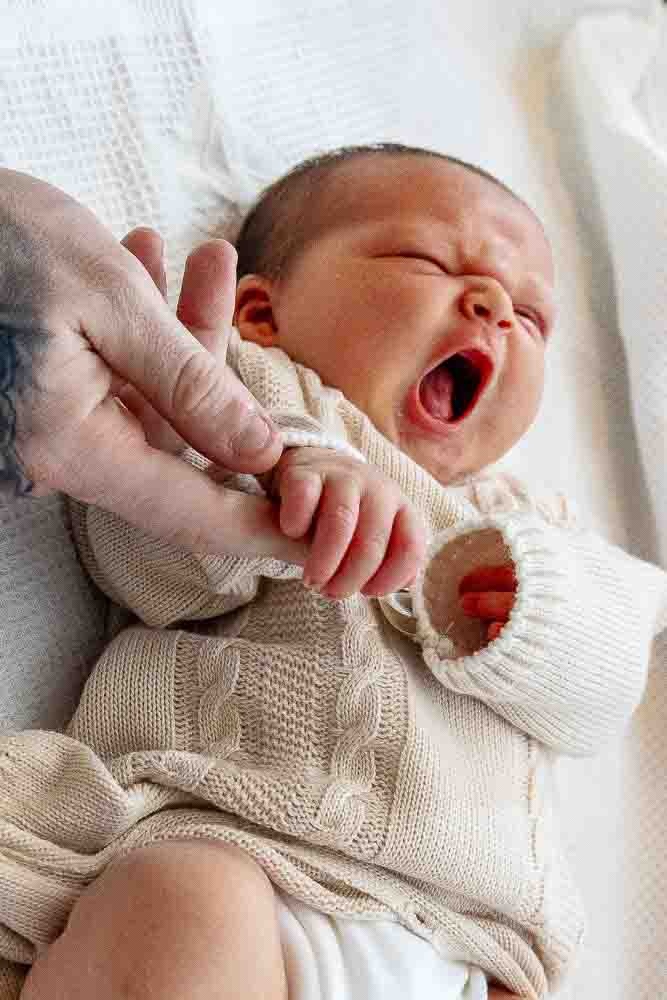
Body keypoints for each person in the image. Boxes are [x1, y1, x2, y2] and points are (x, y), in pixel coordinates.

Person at [1, 145, 666, 1000]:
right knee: (177, 905)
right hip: (244, 856)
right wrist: (267, 479)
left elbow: (603, 687)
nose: (494, 305)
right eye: (428, 260)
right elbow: (153, 572)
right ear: (260, 313)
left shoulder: (535, 526)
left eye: (531, 316)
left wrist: (534, 602)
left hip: (469, 941)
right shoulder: (237, 403)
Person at [0, 167, 304, 564]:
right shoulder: (270, 381)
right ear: (262, 313)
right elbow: (147, 555)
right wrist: (309, 464)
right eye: (413, 258)